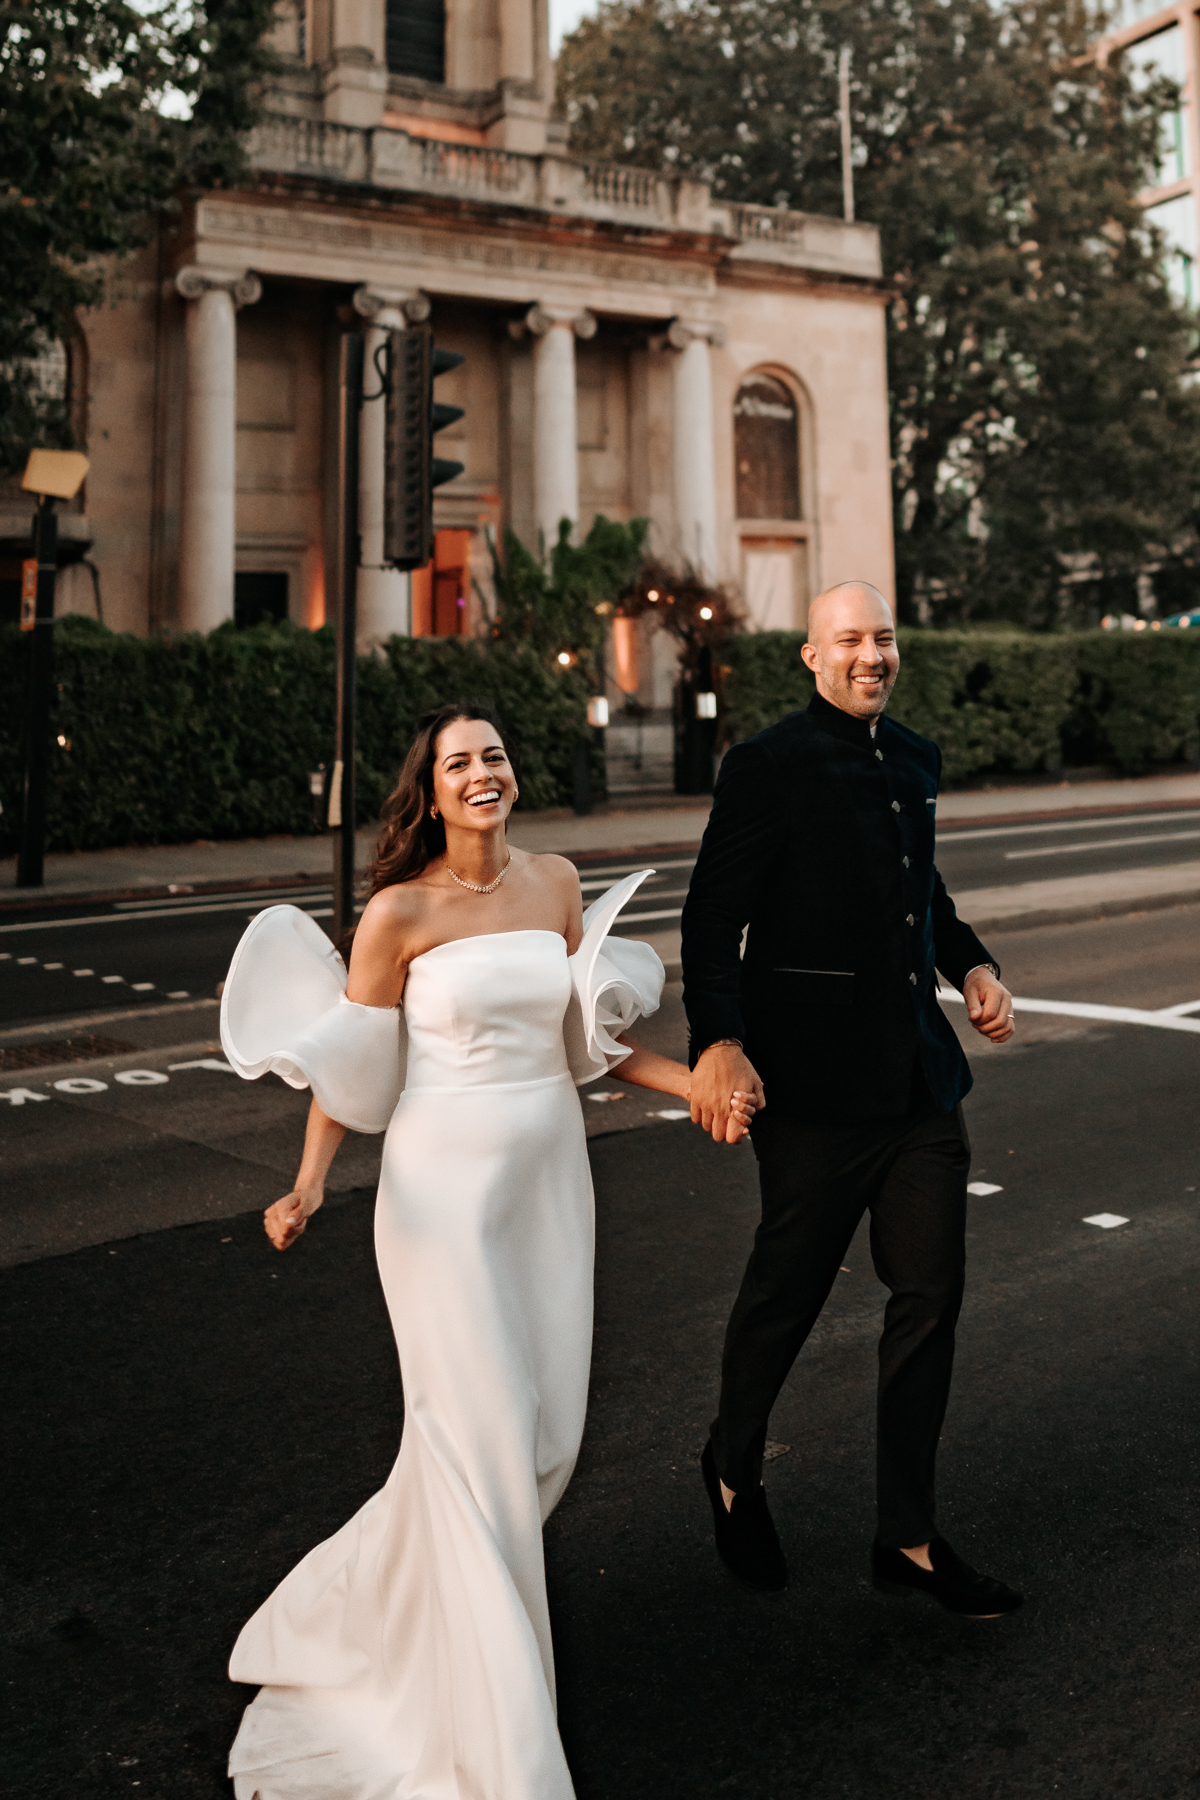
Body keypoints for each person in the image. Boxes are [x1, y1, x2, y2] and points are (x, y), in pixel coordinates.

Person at [218, 701, 756, 1800]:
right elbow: (351, 1067)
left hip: (550, 1182)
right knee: (486, 1437)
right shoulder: (398, 915)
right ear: (431, 787)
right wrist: (308, 1184)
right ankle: (502, 1737)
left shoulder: (554, 883)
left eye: (495, 756)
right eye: (459, 761)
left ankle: (375, 1611)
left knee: (548, 1433)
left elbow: (588, 1049)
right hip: (441, 1199)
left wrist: (697, 1083)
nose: (482, 773)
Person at [682, 582, 1023, 1618]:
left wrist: (970, 965)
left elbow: (922, 893)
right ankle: (734, 1466)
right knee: (786, 1295)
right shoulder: (769, 766)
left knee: (929, 1302)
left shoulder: (915, 756)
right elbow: (711, 919)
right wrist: (722, 1043)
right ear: (811, 656)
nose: (870, 655)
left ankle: (908, 1539)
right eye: (850, 641)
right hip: (814, 1093)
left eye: (882, 639)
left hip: (919, 1087)